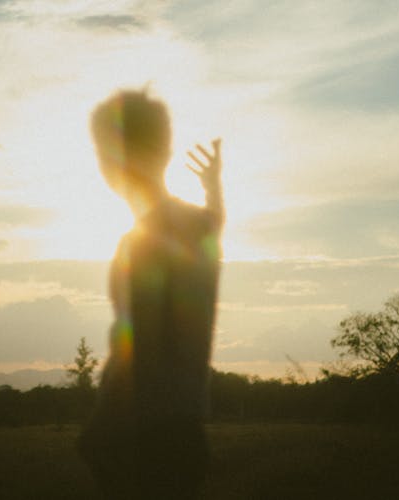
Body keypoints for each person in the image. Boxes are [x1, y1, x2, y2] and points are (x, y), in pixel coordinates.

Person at [78, 88, 224, 499]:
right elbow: (215, 220)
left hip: (144, 441)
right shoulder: (199, 226)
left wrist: (100, 429)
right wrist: (213, 187)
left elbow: (140, 349)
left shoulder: (139, 244)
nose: (102, 164)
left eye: (105, 150)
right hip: (187, 434)